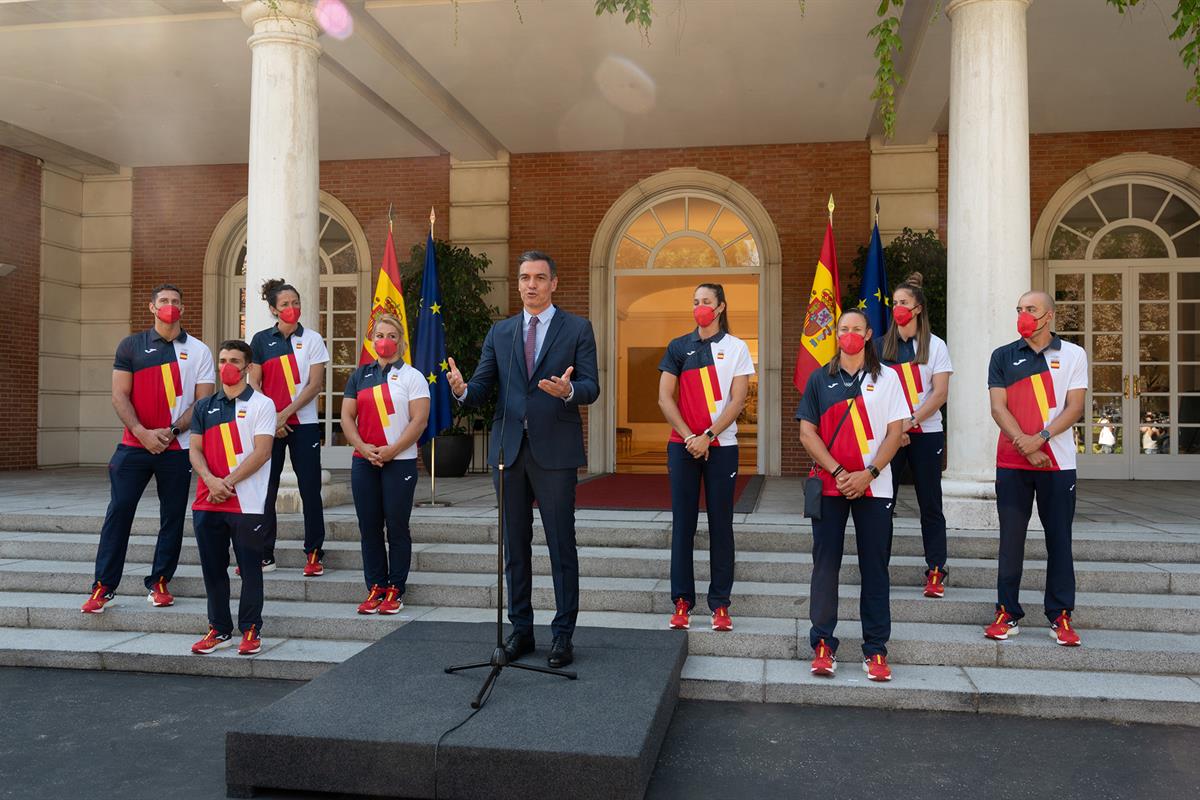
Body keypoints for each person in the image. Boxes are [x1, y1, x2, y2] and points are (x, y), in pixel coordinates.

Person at [446, 250, 599, 669]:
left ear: (554, 283)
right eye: (524, 278)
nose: (530, 284)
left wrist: (568, 392)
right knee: (515, 546)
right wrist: (460, 389)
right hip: (508, 451)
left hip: (555, 451)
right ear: (518, 284)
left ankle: (563, 635)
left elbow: (591, 386)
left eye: (539, 277)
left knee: (560, 545)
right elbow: (480, 388)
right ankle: (521, 631)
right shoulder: (503, 332)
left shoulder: (578, 328)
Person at [82, 284, 215, 614]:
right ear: (152, 308)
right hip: (133, 446)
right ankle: (103, 586)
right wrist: (142, 433)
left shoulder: (199, 351)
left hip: (177, 447)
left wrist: (170, 432)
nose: (170, 306)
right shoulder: (131, 345)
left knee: (171, 517)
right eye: (164, 301)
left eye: (175, 302)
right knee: (119, 513)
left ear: (183, 309)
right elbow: (119, 396)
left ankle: (159, 582)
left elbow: (202, 402)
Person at [797, 309, 908, 682]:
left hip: (875, 487)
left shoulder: (887, 378)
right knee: (825, 567)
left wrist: (869, 473)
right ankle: (823, 644)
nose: (849, 334)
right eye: (843, 329)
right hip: (831, 485)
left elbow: (896, 432)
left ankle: (875, 650)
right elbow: (806, 434)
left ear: (869, 333)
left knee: (874, 569)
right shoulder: (819, 379)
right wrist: (841, 472)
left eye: (856, 329)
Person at [984, 290, 1087, 646]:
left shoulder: (1073, 354)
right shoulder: (1002, 356)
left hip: (1057, 464)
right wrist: (1025, 445)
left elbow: (1075, 407)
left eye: (1031, 309)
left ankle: (1060, 616)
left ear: (1049, 317)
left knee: (1059, 540)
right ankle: (1006, 612)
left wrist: (1040, 438)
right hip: (1013, 462)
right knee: (1011, 541)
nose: (1023, 315)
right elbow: (999, 408)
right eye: (1019, 309)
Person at [658, 283, 754, 632]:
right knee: (683, 525)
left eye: (706, 302)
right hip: (682, 446)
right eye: (695, 301)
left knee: (720, 526)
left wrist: (709, 436)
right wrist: (689, 437)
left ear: (720, 307)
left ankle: (720, 604)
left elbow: (737, 400)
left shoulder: (736, 347)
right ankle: (682, 602)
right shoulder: (678, 347)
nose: (700, 307)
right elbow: (665, 398)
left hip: (722, 447)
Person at [188, 340, 277, 655]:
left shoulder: (262, 404)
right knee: (213, 570)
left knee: (250, 568)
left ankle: (251, 630)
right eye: (223, 359)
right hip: (206, 500)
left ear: (247, 367)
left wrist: (227, 482)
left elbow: (263, 451)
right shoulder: (203, 406)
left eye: (235, 360)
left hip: (247, 502)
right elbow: (195, 450)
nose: (227, 364)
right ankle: (219, 629)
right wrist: (211, 481)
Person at [341, 314, 430, 615]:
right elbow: (346, 418)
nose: (385, 341)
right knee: (369, 526)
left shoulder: (412, 377)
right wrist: (363, 448)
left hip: (399, 462)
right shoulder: (360, 375)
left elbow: (419, 421)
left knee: (396, 525)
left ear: (401, 341)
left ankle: (395, 588)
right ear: (372, 339)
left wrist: (393, 450)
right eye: (380, 335)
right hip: (364, 461)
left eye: (391, 335)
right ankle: (376, 586)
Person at [876, 272, 954, 598]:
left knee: (930, 504)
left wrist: (909, 422)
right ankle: (877, 568)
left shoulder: (935, 346)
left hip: (926, 433)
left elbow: (939, 393)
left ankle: (936, 570)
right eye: (894, 303)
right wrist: (895, 427)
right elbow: (874, 392)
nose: (898, 308)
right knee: (882, 504)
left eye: (903, 303)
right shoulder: (881, 345)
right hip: (891, 435)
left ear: (918, 308)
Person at [249, 278, 330, 576]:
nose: (292, 308)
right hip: (270, 428)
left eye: (295, 303)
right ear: (273, 309)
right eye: (285, 304)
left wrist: (286, 414)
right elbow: (254, 383)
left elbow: (315, 385)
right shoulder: (260, 341)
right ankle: (264, 553)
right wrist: (274, 418)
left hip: (304, 425)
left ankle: (314, 553)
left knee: (310, 490)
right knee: (266, 490)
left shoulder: (312, 339)